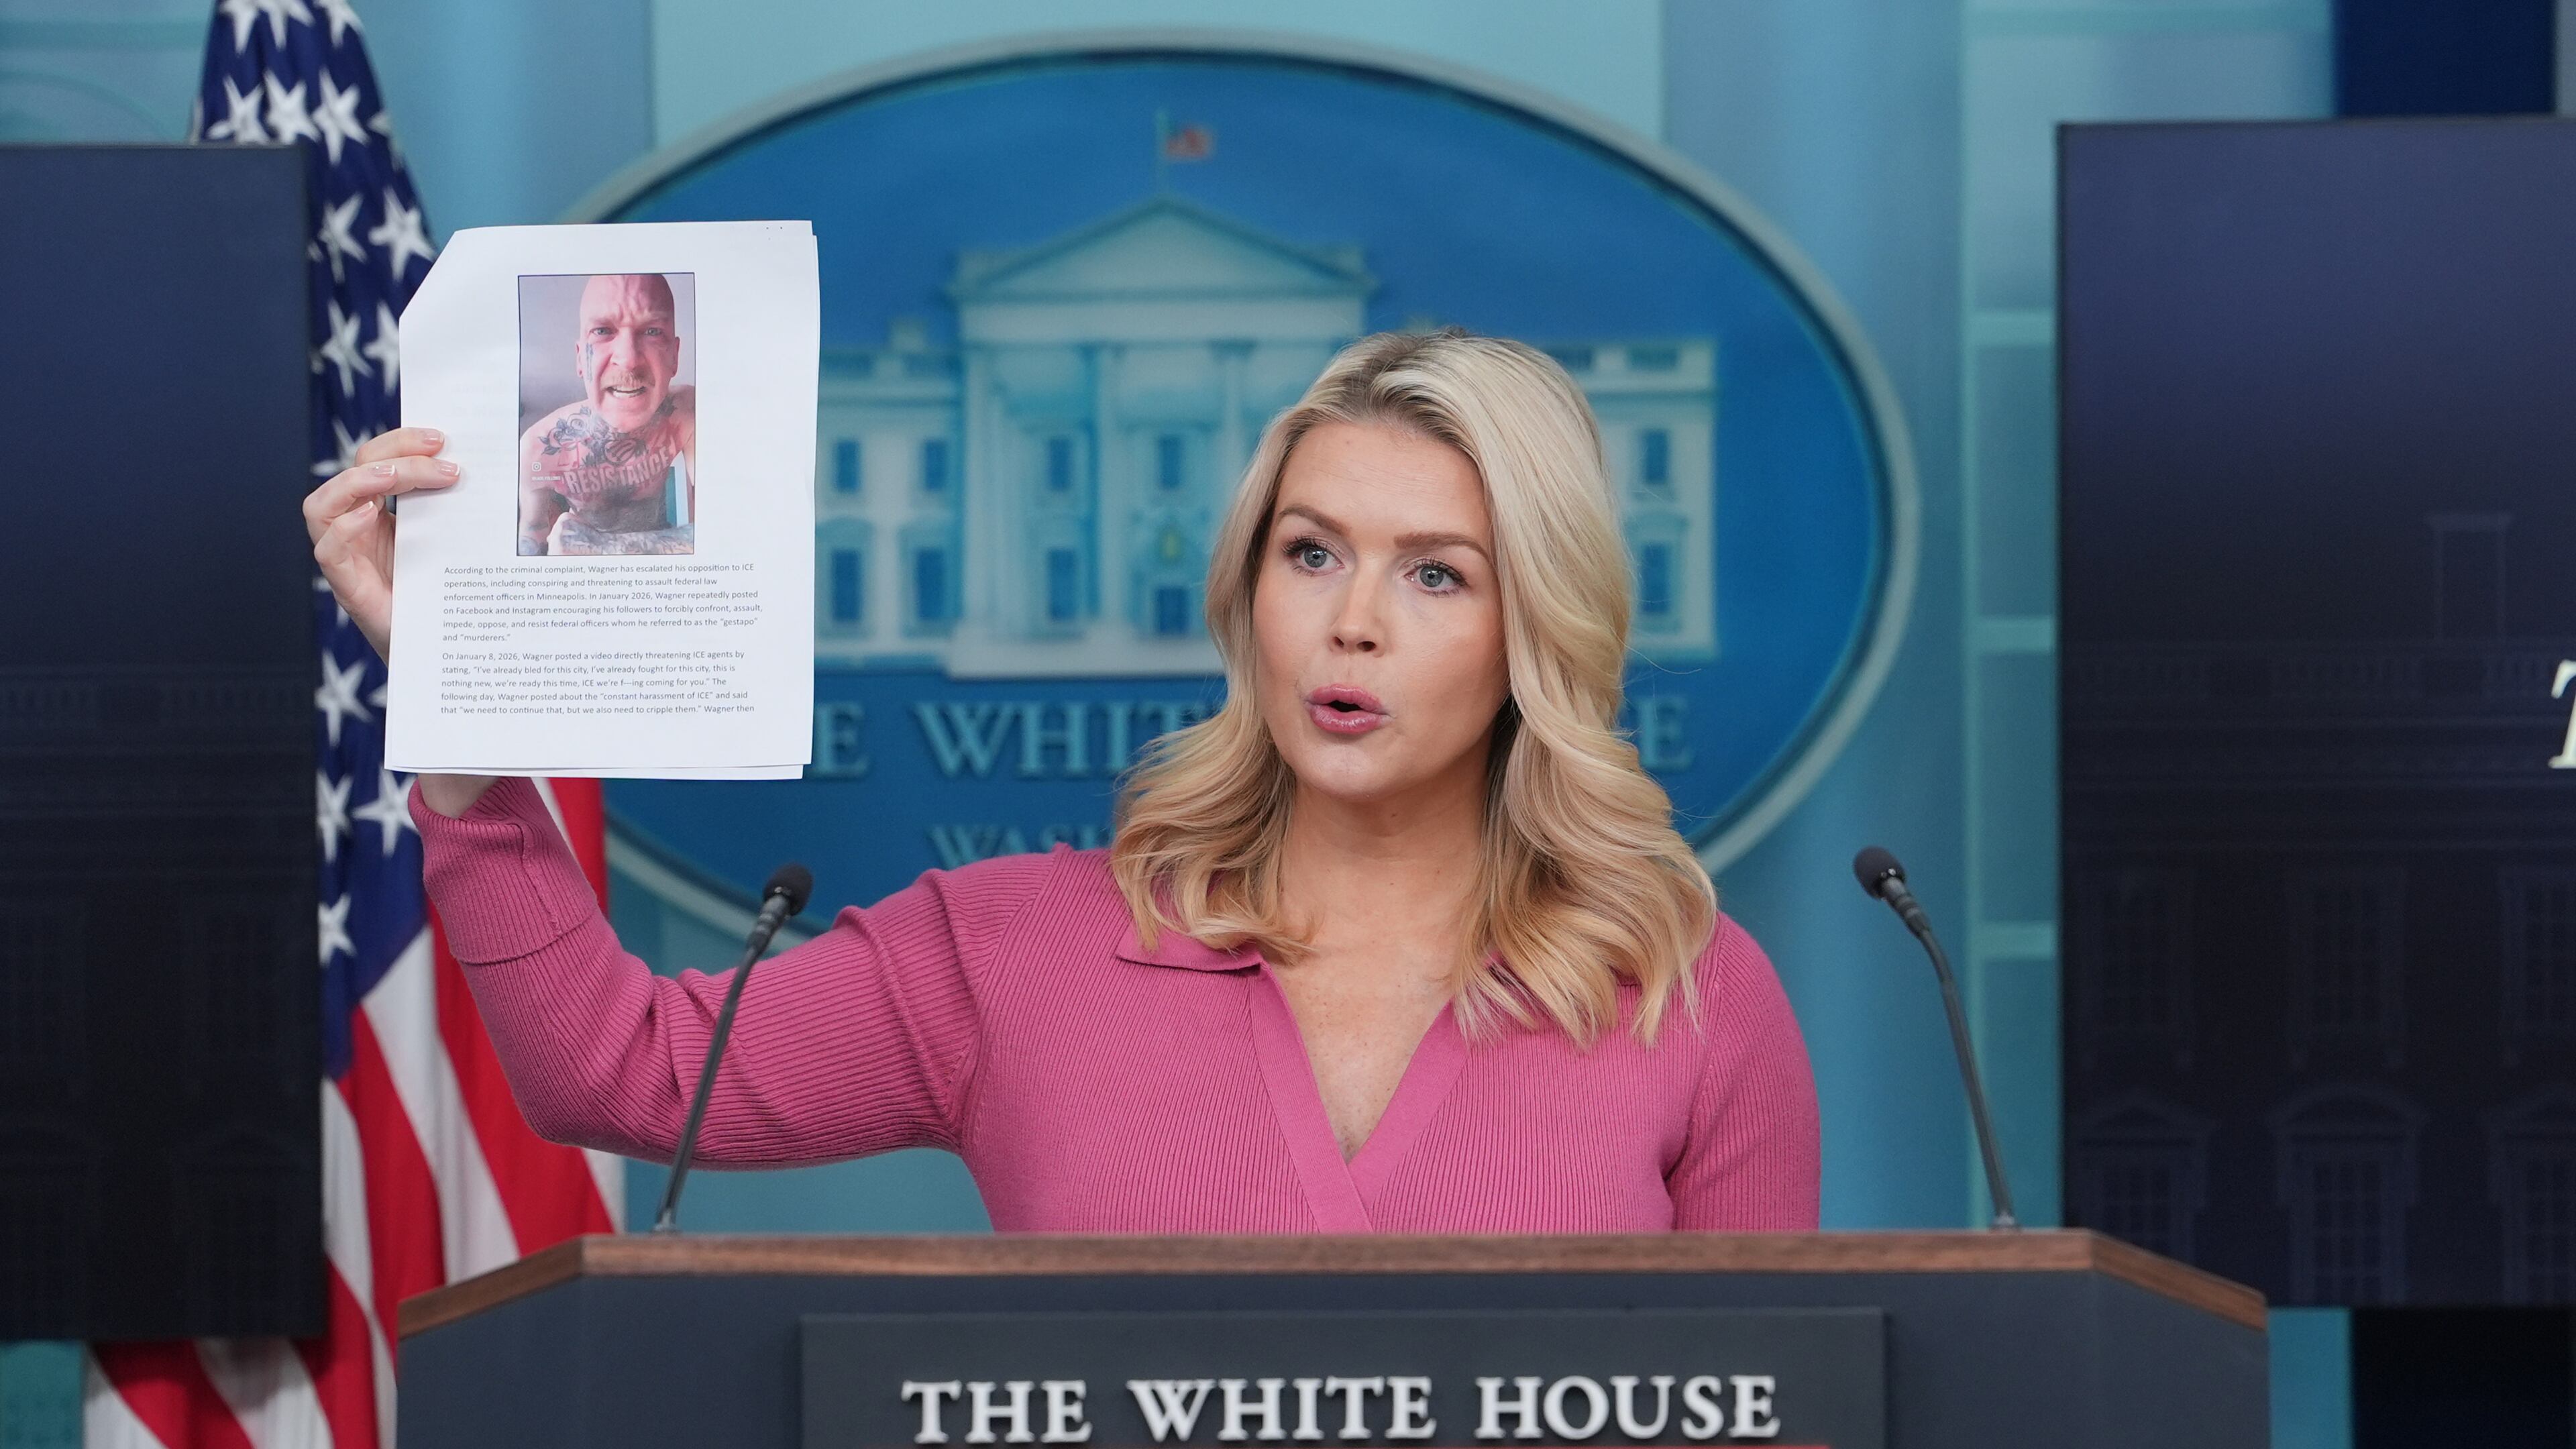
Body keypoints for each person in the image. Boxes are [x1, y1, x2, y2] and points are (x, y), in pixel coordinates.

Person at [305, 329, 1820, 1231]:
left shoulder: (1688, 991)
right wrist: (469, 730)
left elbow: (1774, 1419)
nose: (1351, 617)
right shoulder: (1017, 946)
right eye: (1311, 552)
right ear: (1246, 589)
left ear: (1533, 625)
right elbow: (614, 1067)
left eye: (1435, 573)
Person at [517, 272, 697, 555]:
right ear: (580, 358)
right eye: (602, 331)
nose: (628, 360)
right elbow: (530, 540)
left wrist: (605, 548)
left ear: (674, 356)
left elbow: (727, 528)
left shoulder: (686, 413)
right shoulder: (539, 446)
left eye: (652, 331)